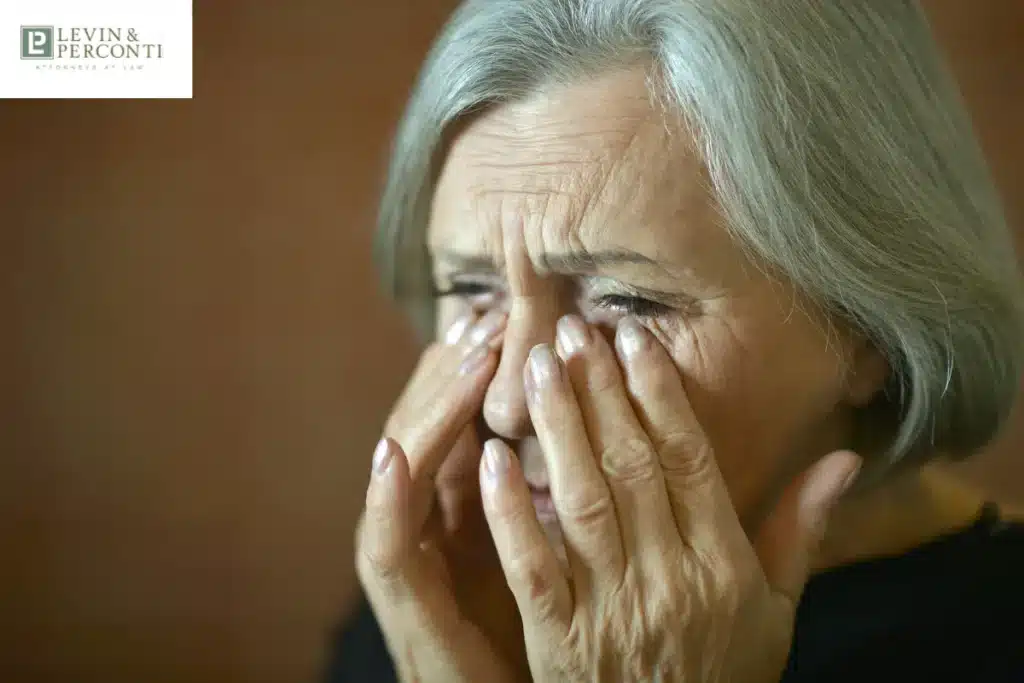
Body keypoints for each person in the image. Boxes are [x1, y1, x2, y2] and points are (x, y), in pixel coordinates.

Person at [328, 0, 1024, 681]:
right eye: (476, 291)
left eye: (629, 301)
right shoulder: (436, 604)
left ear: (872, 324)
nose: (510, 401)